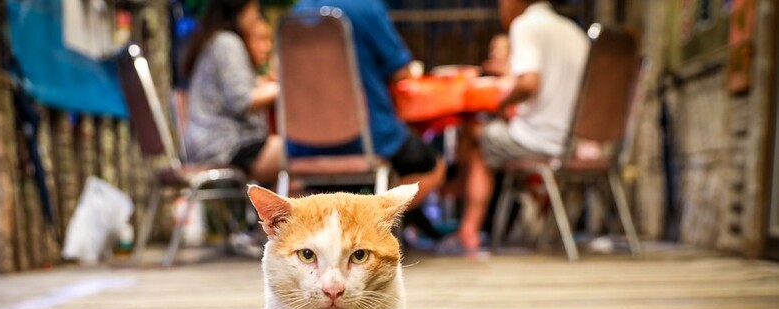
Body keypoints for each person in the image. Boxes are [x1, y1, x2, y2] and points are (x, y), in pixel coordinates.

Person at [458, 0, 589, 252]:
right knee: (498, 138)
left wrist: (501, 103)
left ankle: (468, 233)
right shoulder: (575, 33)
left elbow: (529, 83)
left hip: (540, 140)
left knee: (477, 137)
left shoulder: (526, 25)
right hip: (572, 142)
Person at [292, 0, 445, 211]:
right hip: (371, 137)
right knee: (433, 166)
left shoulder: (298, 12)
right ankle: (370, 221)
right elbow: (400, 70)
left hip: (305, 143)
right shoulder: (366, 7)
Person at [180, 0, 281, 184]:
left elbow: (231, 92)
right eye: (254, 10)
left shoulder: (214, 40)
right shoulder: (227, 42)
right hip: (224, 147)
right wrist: (285, 88)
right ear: (240, 10)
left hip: (212, 144)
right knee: (299, 151)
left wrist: (263, 83)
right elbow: (242, 100)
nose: (256, 16)